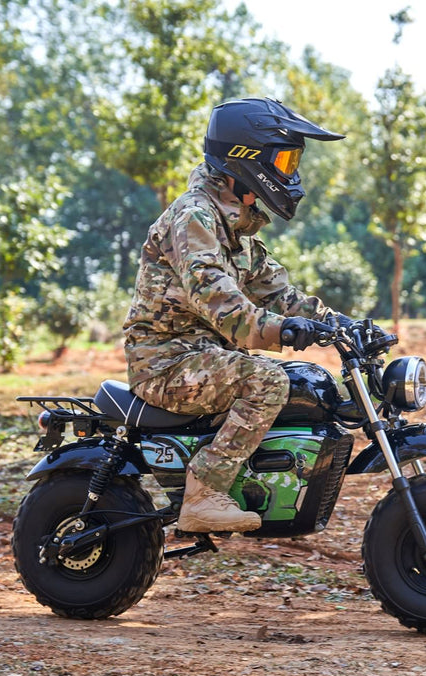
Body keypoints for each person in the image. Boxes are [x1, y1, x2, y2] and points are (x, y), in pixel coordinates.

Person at [122, 97, 346, 533]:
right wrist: (278, 330)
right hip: (166, 362)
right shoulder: (194, 218)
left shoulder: (236, 228)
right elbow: (220, 302)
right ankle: (203, 493)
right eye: (283, 159)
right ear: (245, 159)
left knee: (302, 382)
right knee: (267, 381)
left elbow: (279, 291)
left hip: (201, 356)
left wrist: (339, 325)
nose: (289, 171)